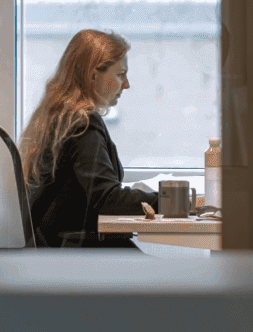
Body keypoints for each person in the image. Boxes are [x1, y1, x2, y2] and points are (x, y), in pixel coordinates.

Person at [22, 29, 158, 248]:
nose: (127, 84)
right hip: (80, 255)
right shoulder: (82, 125)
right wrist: (171, 202)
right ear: (94, 75)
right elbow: (107, 200)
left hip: (61, 250)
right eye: (120, 74)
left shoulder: (62, 118)